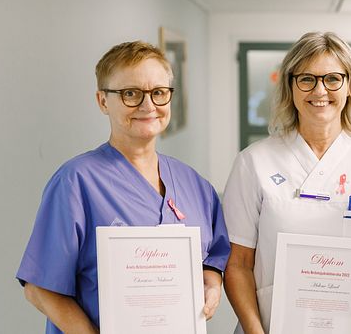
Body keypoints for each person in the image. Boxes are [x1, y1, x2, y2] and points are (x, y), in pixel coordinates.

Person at [16, 41, 230, 334]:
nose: (148, 105)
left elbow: (214, 257)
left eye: (158, 93)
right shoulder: (76, 181)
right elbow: (40, 288)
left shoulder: (195, 185)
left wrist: (212, 282)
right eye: (130, 93)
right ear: (103, 101)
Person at [222, 31, 351, 334]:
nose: (320, 90)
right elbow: (238, 264)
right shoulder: (253, 162)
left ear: (350, 85)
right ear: (290, 86)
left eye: (333, 78)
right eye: (307, 79)